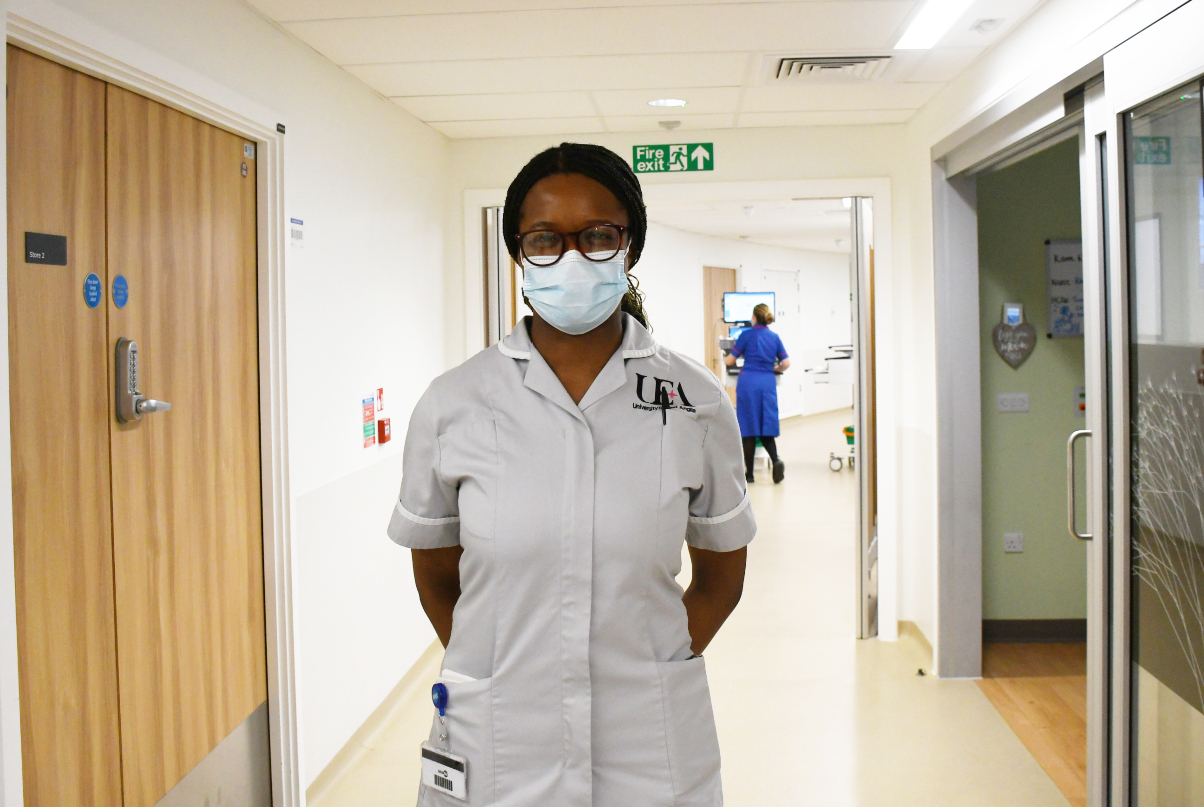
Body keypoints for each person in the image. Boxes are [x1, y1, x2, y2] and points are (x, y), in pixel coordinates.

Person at [387, 142, 755, 806]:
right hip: (497, 733)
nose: (574, 257)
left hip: (650, 734)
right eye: (546, 239)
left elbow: (721, 580)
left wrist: (651, 667)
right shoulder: (455, 403)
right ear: (520, 253)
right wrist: (502, 673)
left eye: (597, 235)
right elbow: (438, 577)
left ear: (629, 245)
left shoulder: (693, 400)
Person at [724, 303, 790, 484]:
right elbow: (786, 363)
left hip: (748, 383)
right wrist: (774, 367)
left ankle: (750, 474)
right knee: (766, 425)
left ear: (753, 318)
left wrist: (724, 355)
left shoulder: (746, 335)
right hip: (767, 383)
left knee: (748, 428)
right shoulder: (774, 337)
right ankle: (776, 460)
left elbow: (730, 361)